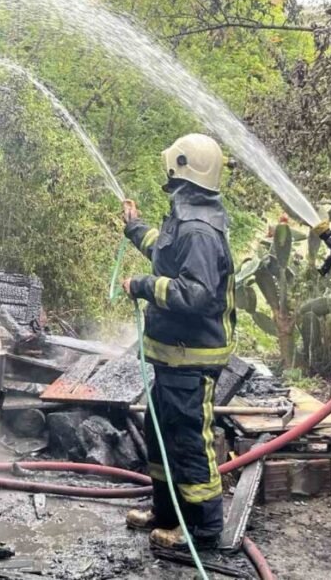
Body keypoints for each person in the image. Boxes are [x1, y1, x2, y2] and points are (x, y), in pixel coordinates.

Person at [119, 133, 236, 551]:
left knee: (189, 441)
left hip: (191, 358)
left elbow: (197, 294)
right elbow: (164, 250)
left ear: (180, 167)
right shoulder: (186, 216)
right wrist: (135, 228)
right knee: (159, 432)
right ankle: (166, 512)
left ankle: (203, 530)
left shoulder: (200, 230)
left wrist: (145, 285)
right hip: (173, 357)